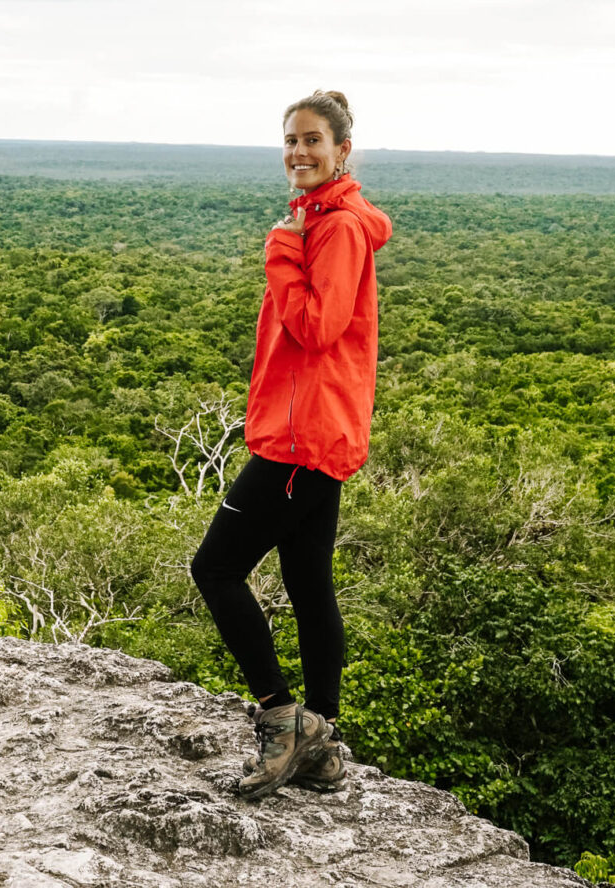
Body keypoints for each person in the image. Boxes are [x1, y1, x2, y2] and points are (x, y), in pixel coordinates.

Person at [191, 90, 392, 800]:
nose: (298, 152)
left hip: (302, 438)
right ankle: (321, 743)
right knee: (309, 588)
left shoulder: (331, 230)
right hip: (321, 428)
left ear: (342, 150)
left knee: (214, 569)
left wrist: (280, 251)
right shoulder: (324, 221)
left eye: (312, 140)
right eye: (290, 141)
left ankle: (282, 719)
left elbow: (313, 327)